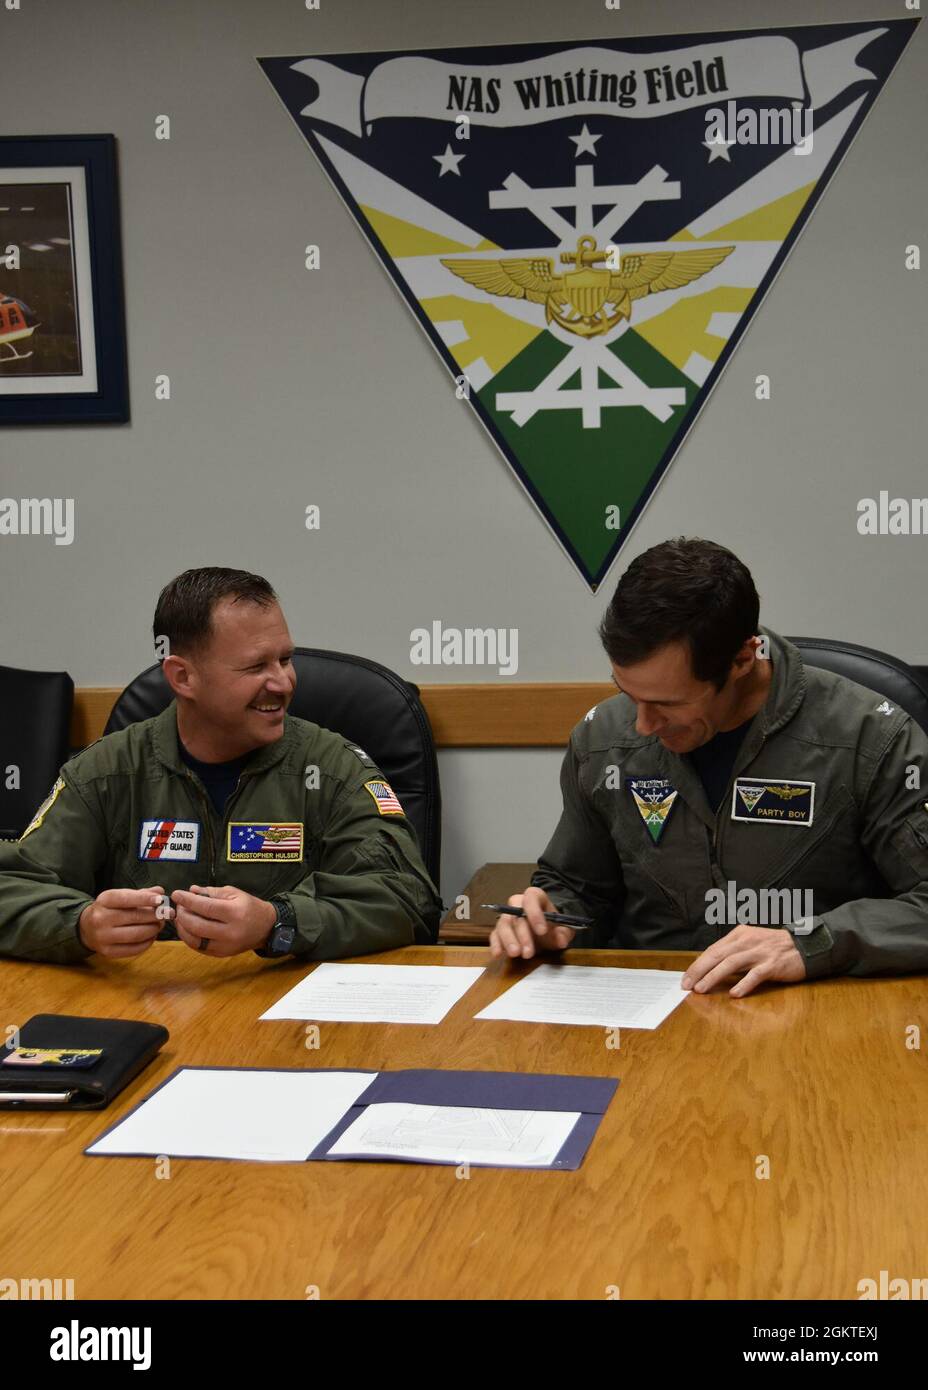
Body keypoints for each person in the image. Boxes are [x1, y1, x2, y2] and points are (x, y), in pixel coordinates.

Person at [490, 537, 928, 995]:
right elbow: (579, 888)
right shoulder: (603, 741)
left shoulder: (867, 739)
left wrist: (813, 943)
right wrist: (549, 920)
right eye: (628, 692)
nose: (641, 724)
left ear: (742, 660)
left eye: (666, 703)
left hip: (808, 1019)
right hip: (647, 1018)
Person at [0, 568, 442, 964]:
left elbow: (408, 899)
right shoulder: (108, 772)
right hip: (147, 1009)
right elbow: (14, 887)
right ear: (182, 677)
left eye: (285, 659)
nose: (283, 682)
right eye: (256, 666)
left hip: (287, 1020)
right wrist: (81, 924)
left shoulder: (331, 769)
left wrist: (278, 922)